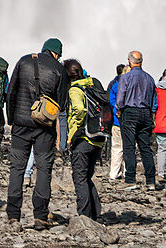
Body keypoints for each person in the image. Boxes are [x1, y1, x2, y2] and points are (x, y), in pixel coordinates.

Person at [4, 37, 70, 228]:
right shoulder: (59, 70)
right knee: (43, 170)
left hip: (20, 125)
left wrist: (11, 120)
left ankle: (13, 214)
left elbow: (11, 93)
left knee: (17, 169)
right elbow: (62, 103)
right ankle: (40, 216)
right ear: (57, 53)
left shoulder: (24, 61)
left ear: (43, 49)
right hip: (44, 128)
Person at [65, 61, 111, 221]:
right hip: (98, 138)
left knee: (79, 178)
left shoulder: (75, 89)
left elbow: (78, 109)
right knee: (86, 177)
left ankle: (84, 216)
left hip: (83, 139)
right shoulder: (93, 85)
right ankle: (96, 214)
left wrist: (74, 132)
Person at [113, 51, 158, 186]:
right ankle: (150, 180)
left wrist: (119, 110)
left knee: (129, 146)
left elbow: (120, 99)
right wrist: (152, 114)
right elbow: (154, 100)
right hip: (145, 113)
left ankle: (130, 179)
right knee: (145, 147)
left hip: (130, 111)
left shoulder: (125, 78)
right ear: (141, 62)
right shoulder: (149, 78)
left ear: (129, 61)